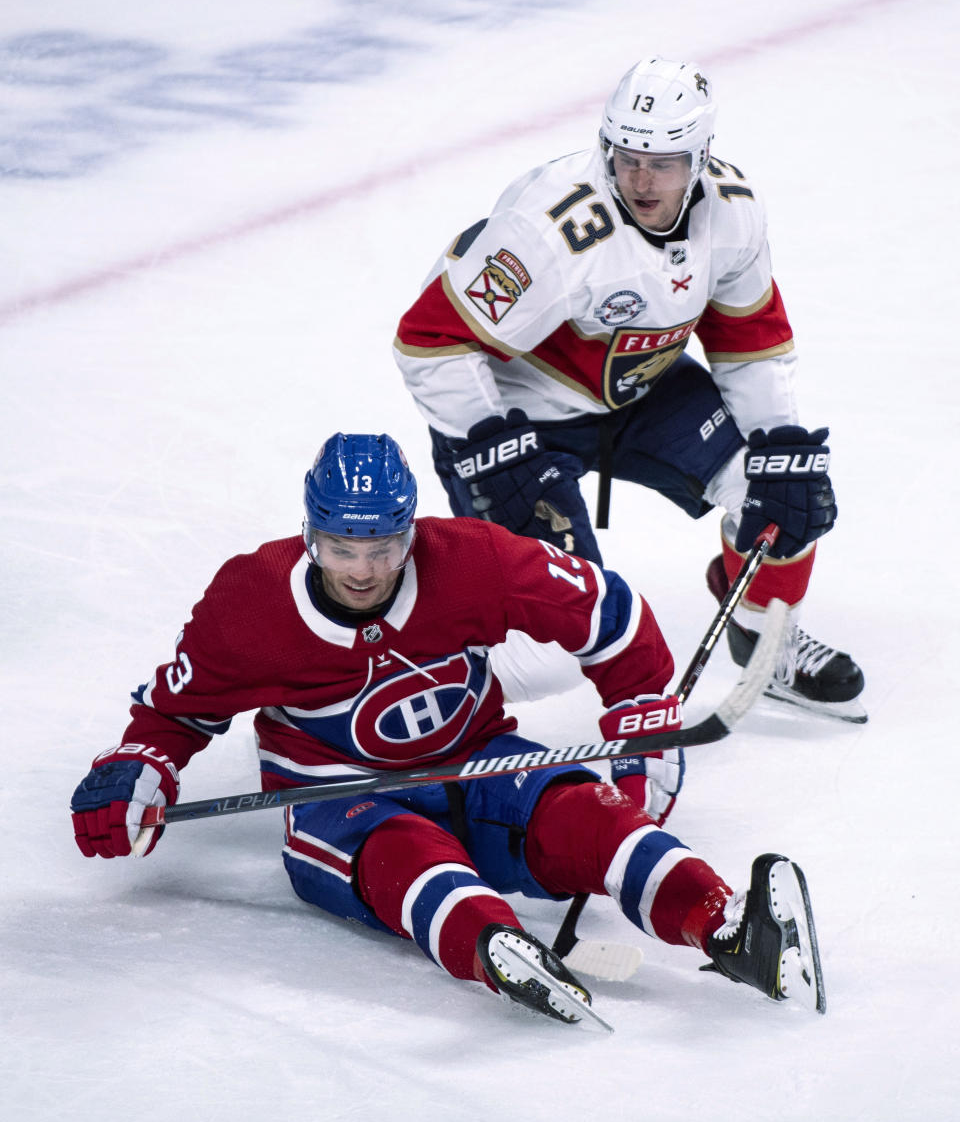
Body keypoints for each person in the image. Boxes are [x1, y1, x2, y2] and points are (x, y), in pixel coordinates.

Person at [69, 432, 825, 1023]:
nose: (363, 570)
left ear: (410, 530)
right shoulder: (252, 601)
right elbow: (172, 715)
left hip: (478, 757)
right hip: (337, 795)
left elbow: (606, 611)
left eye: (384, 548)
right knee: (410, 855)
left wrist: (642, 715)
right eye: (341, 549)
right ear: (310, 536)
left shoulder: (470, 559)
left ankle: (723, 923)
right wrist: (137, 771)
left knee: (589, 817)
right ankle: (494, 946)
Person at [393, 55, 865, 725]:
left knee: (779, 490)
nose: (641, 178)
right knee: (560, 647)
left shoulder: (732, 214)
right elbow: (430, 342)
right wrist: (495, 450)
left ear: (701, 156)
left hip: (643, 391)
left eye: (664, 162)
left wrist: (781, 440)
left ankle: (762, 639)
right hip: (517, 419)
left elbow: (749, 336)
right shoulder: (548, 233)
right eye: (626, 157)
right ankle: (390, 695)